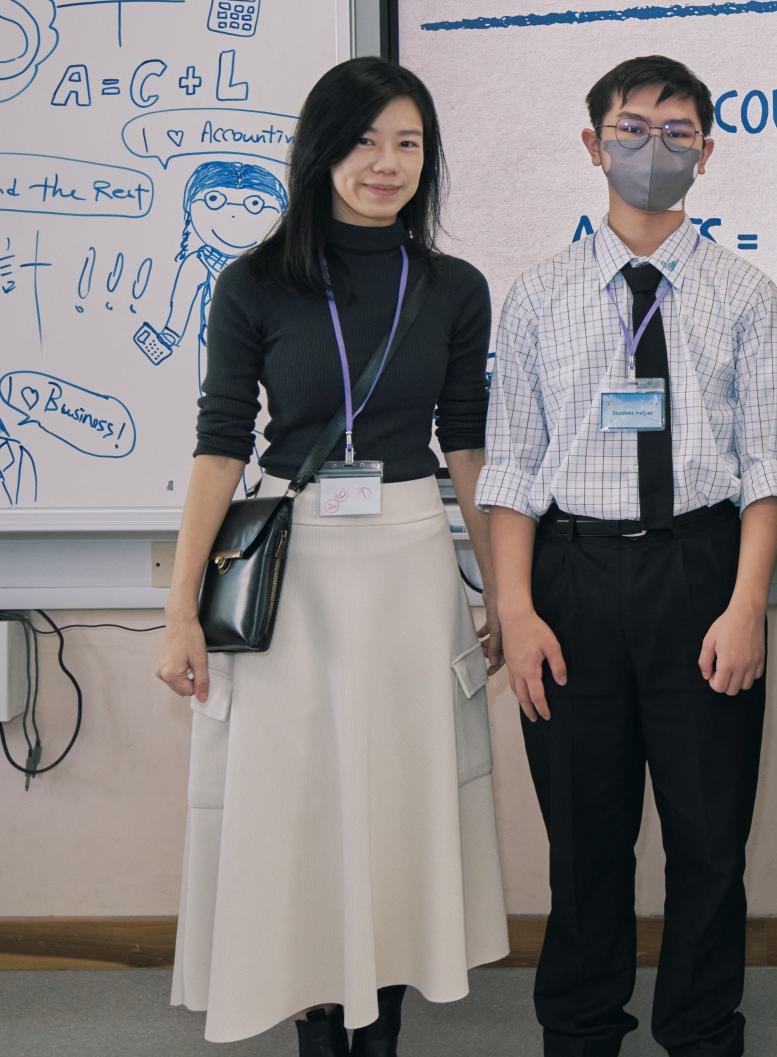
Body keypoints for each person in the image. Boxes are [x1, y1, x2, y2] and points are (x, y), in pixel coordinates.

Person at [154, 57, 509, 1054]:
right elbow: (221, 444)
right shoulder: (254, 283)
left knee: (397, 814)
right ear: (320, 152)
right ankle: (319, 1034)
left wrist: (502, 592)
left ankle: (382, 1033)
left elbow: (467, 447)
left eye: (407, 142)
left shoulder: (454, 287)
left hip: (409, 565)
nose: (385, 162)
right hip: (291, 572)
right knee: (302, 815)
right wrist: (181, 609)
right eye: (362, 141)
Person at [479, 54, 777, 1057]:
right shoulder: (538, 297)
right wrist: (516, 611)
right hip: (570, 582)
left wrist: (748, 604)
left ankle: (701, 1030)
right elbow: (511, 469)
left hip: (702, 574)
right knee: (585, 841)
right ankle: (581, 1030)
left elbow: (768, 466)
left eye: (676, 132)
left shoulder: (746, 294)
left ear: (706, 152)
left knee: (710, 840)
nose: (652, 149)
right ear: (593, 145)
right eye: (630, 128)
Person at [134, 160, 289, 383]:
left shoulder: (279, 265)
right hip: (221, 354)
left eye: (255, 204)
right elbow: (178, 315)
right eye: (214, 200)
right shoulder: (198, 263)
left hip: (279, 352)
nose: (233, 215)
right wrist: (165, 340)